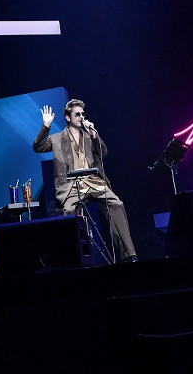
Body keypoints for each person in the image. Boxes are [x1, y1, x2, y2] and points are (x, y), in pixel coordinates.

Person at [33, 99, 138, 263]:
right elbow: (38, 147)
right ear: (68, 117)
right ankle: (75, 257)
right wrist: (46, 125)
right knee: (69, 212)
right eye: (77, 114)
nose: (81, 117)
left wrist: (94, 135)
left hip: (94, 182)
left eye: (82, 114)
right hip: (72, 185)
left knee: (117, 204)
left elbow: (103, 153)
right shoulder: (57, 139)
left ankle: (128, 254)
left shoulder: (89, 135)